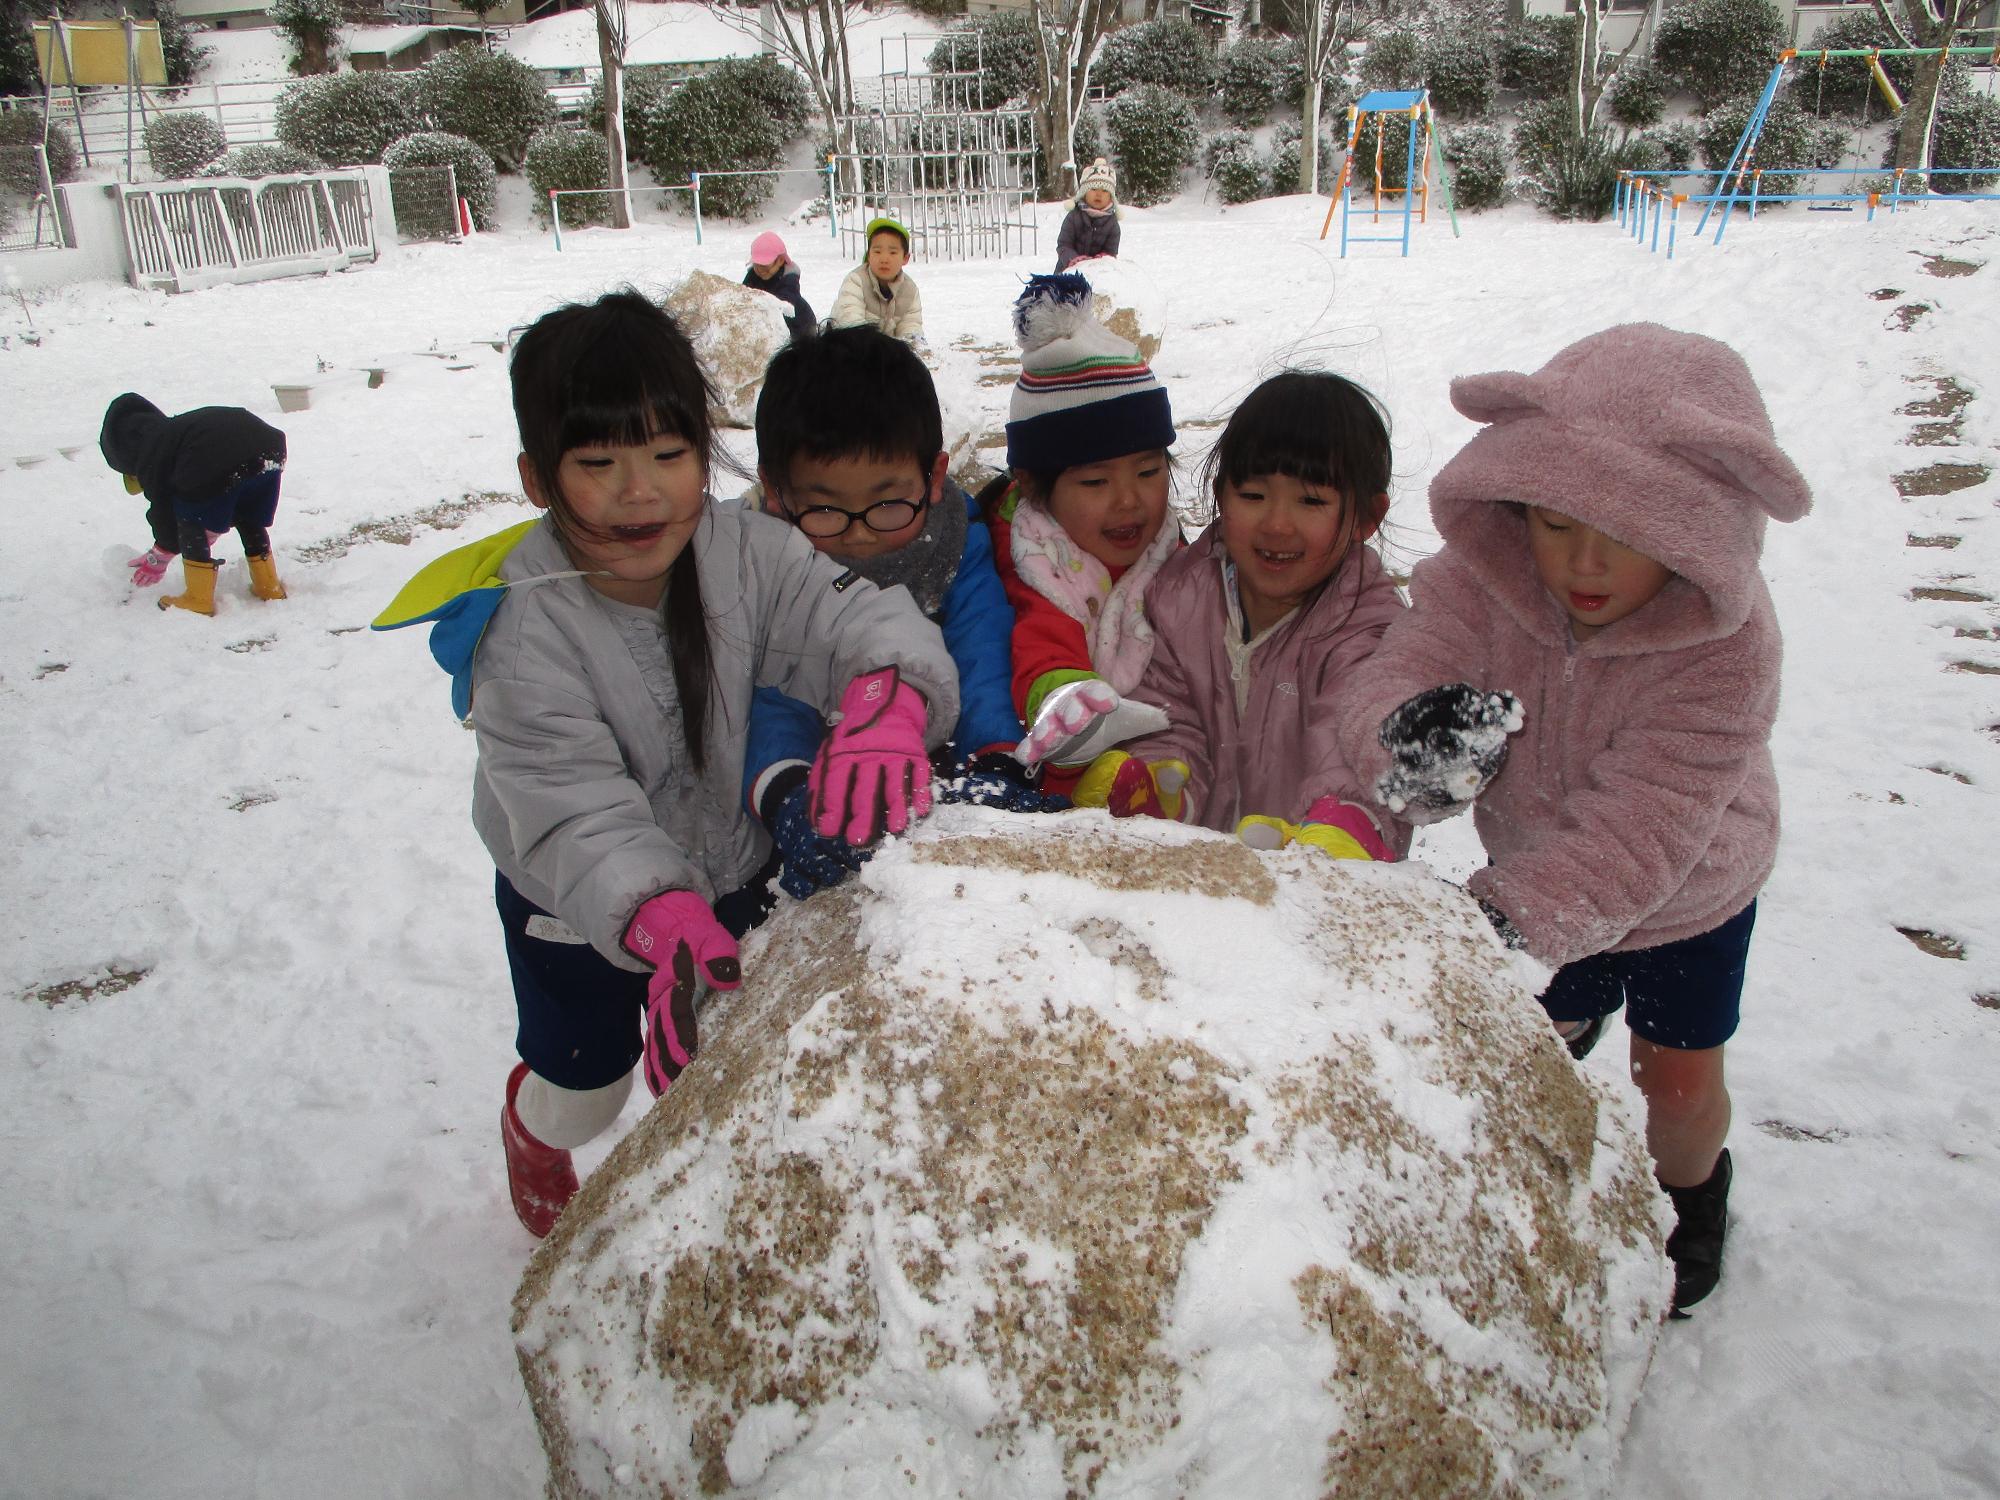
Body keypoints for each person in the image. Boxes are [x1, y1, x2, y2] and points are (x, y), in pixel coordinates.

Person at [371, 290, 958, 1239]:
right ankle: (535, 1125)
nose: (640, 492)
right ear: (536, 478)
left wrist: (887, 697)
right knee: (590, 1092)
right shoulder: (523, 634)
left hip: (731, 858)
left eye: (669, 456)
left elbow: (850, 616)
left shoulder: (747, 551)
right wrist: (653, 910)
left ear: (706, 453)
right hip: (581, 902)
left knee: (729, 1059)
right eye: (599, 463)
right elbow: (571, 809)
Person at [1335, 323, 1813, 1317]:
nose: (1581, 564)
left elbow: (1644, 826)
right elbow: (1400, 665)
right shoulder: (1484, 580)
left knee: (1674, 1088)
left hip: (1688, 896)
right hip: (1534, 865)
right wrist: (1403, 733)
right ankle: (1551, 1071)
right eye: (1554, 526)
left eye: (1625, 538)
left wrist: (1497, 927)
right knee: (1520, 1051)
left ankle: (1691, 1193)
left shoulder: (1725, 649)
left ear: (1695, 532)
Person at [744, 326, 1062, 899]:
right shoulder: (762, 557)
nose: (859, 534)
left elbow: (979, 647)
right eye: (825, 509)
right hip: (812, 768)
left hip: (929, 755)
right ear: (776, 491)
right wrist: (788, 789)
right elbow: (770, 688)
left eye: (887, 502)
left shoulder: (950, 539)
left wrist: (994, 758)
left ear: (934, 477)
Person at [1082, 371, 1407, 865]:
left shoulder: (1370, 632)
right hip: (1202, 877)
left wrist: (1342, 826)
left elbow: (1356, 748)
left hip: (1312, 886)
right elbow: (1166, 714)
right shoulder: (1180, 596)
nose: (1277, 524)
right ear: (1221, 495)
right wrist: (1163, 780)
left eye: (1311, 500)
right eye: (1253, 496)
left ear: (1367, 516)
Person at [978, 272, 1180, 798]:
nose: (1129, 500)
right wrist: (1068, 698)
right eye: (1095, 480)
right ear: (1033, 487)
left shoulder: (1173, 555)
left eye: (1149, 470)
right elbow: (1042, 645)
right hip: (1063, 778)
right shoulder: (1036, 562)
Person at [100, 393, 288, 616]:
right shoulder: (173, 434)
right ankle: (268, 585)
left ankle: (198, 598)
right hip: (270, 448)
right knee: (246, 514)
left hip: (221, 455)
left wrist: (160, 554)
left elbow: (165, 512)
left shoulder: (151, 453)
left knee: (189, 517)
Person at [828, 216, 924, 344]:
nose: (884, 259)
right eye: (877, 252)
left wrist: (912, 347)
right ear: (869, 255)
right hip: (846, 347)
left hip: (884, 352)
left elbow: (911, 326)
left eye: (893, 253)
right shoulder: (856, 281)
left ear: (905, 258)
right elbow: (850, 322)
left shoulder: (910, 290)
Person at [742, 230, 814, 339]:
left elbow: (781, 307)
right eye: (757, 265)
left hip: (800, 327)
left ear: (780, 260)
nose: (760, 270)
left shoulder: (788, 282)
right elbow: (743, 294)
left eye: (765, 266)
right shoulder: (753, 275)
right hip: (769, 325)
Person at [1055, 157, 1121, 273]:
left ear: (1111, 197)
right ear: (1084, 193)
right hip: (1068, 271)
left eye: (1105, 191)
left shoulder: (1112, 225)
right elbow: (1063, 245)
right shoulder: (1074, 217)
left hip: (1097, 275)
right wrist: (1074, 260)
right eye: (1094, 189)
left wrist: (1100, 262)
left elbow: (1110, 253)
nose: (1099, 194)